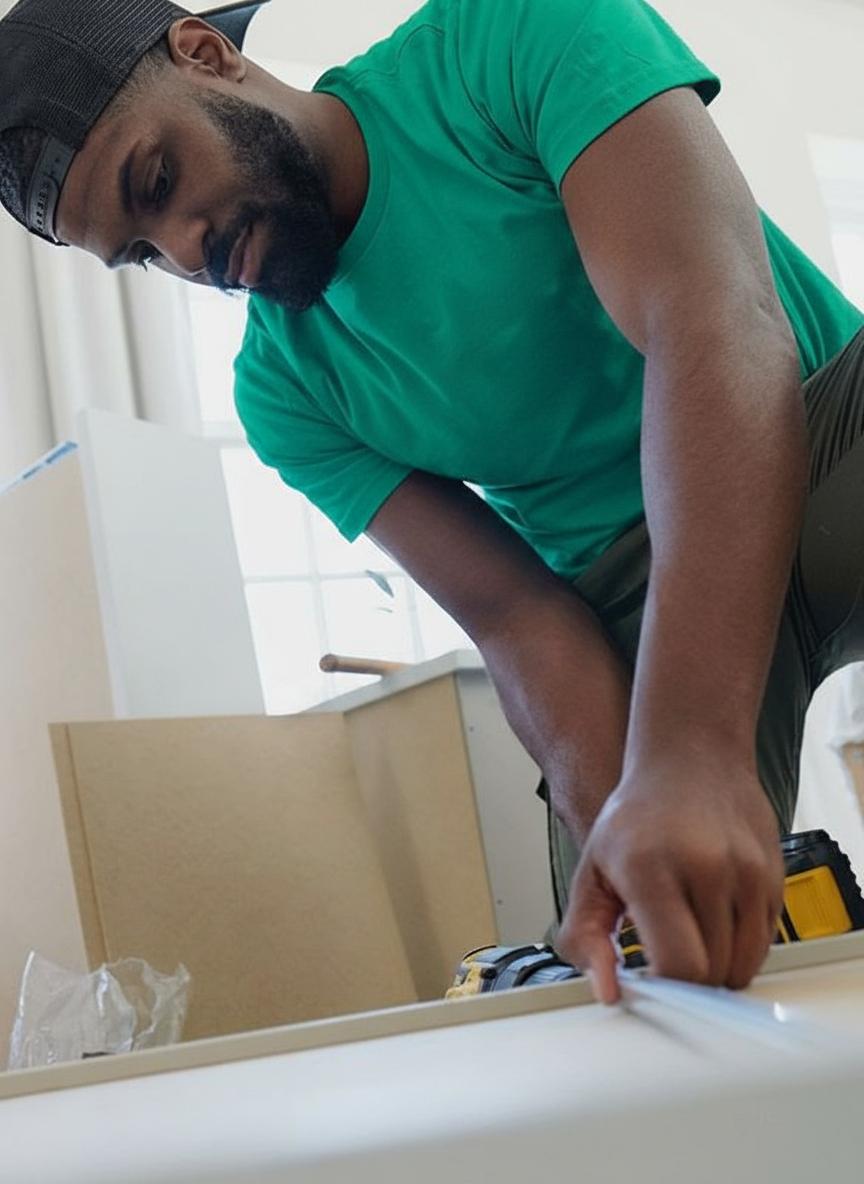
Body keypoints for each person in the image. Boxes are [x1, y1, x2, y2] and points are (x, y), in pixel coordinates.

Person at [2, 0, 863, 1004]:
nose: (186, 251)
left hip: (811, 434)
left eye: (158, 181)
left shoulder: (514, 37)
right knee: (645, 977)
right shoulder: (286, 391)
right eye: (142, 253)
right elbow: (519, 617)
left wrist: (692, 754)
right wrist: (629, 810)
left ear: (207, 54)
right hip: (612, 601)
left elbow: (715, 318)